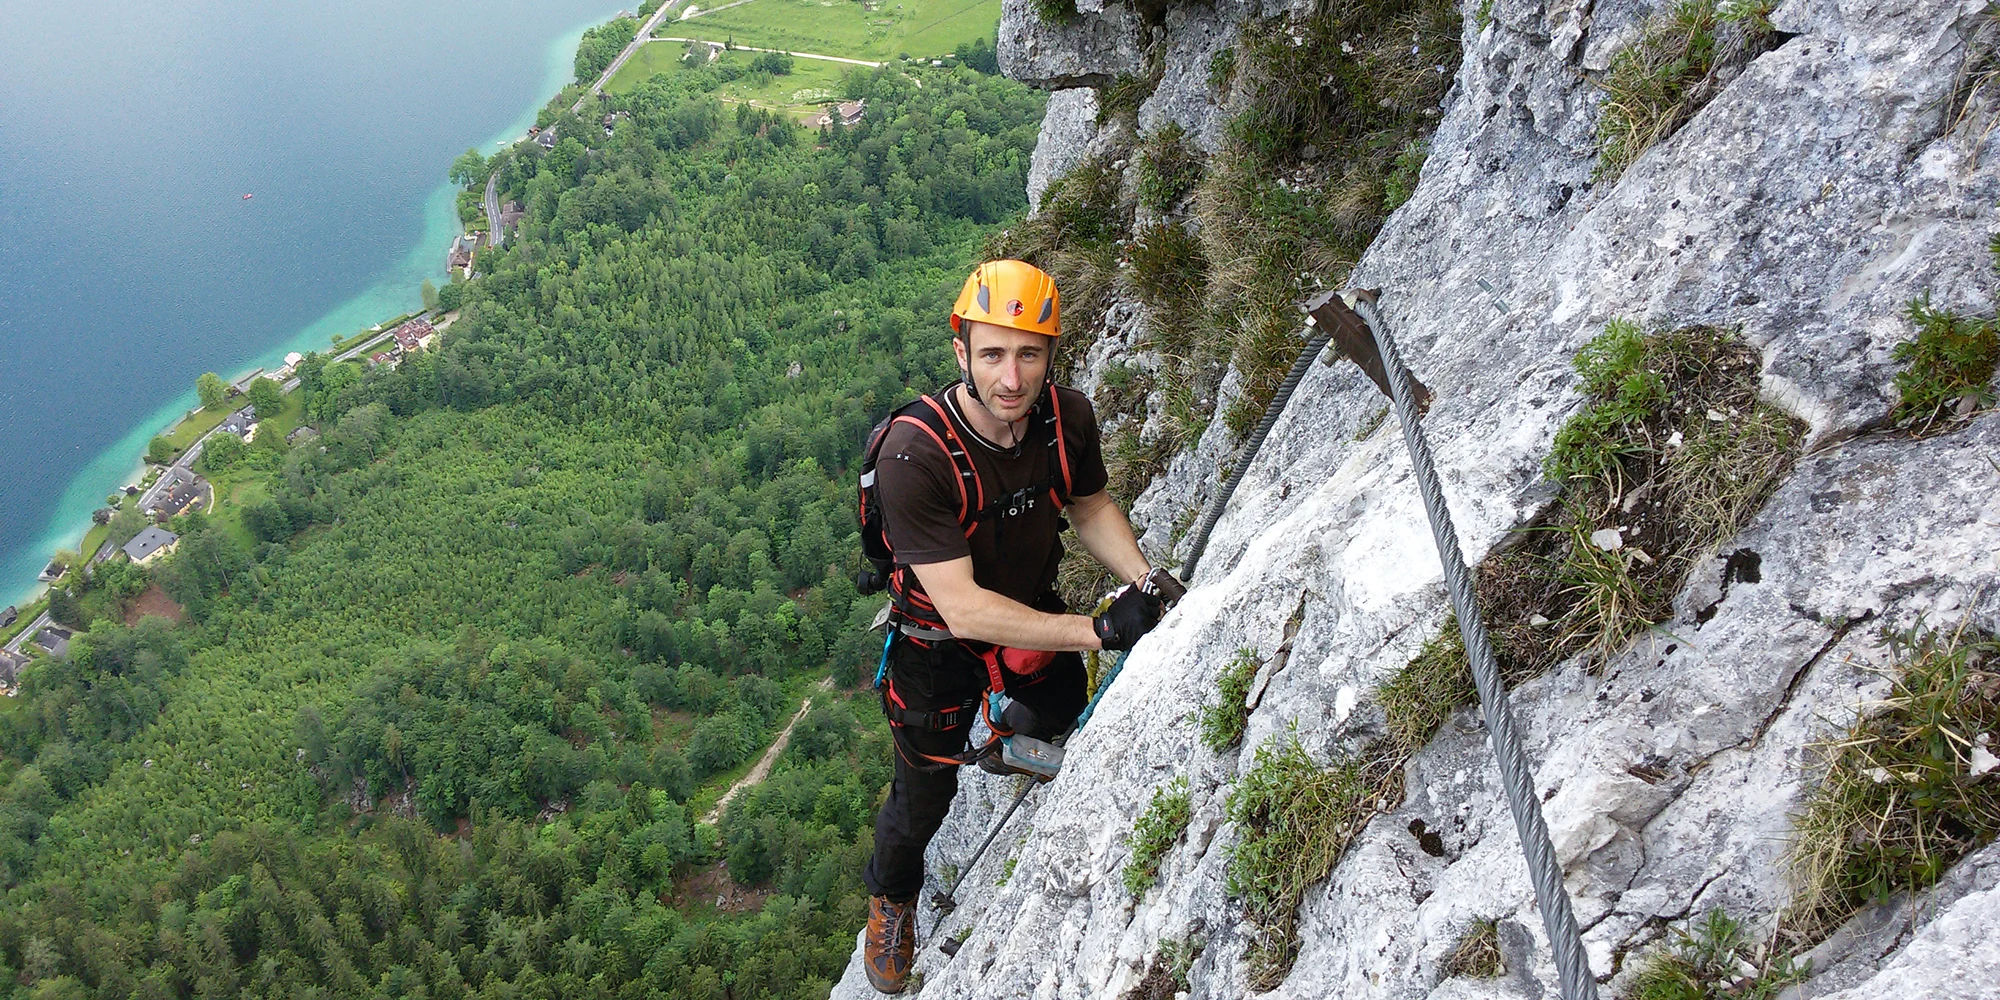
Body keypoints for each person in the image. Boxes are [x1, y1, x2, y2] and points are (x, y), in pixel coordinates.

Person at [860, 259, 1184, 993]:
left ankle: (1011, 743)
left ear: (1051, 355)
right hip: (934, 649)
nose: (1012, 378)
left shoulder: (1065, 420)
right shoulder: (915, 456)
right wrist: (1099, 629)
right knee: (921, 799)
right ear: (961, 354)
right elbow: (964, 608)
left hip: (1028, 621)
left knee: (1060, 707)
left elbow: (1091, 505)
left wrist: (1140, 578)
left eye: (1029, 353)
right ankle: (892, 898)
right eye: (994, 353)